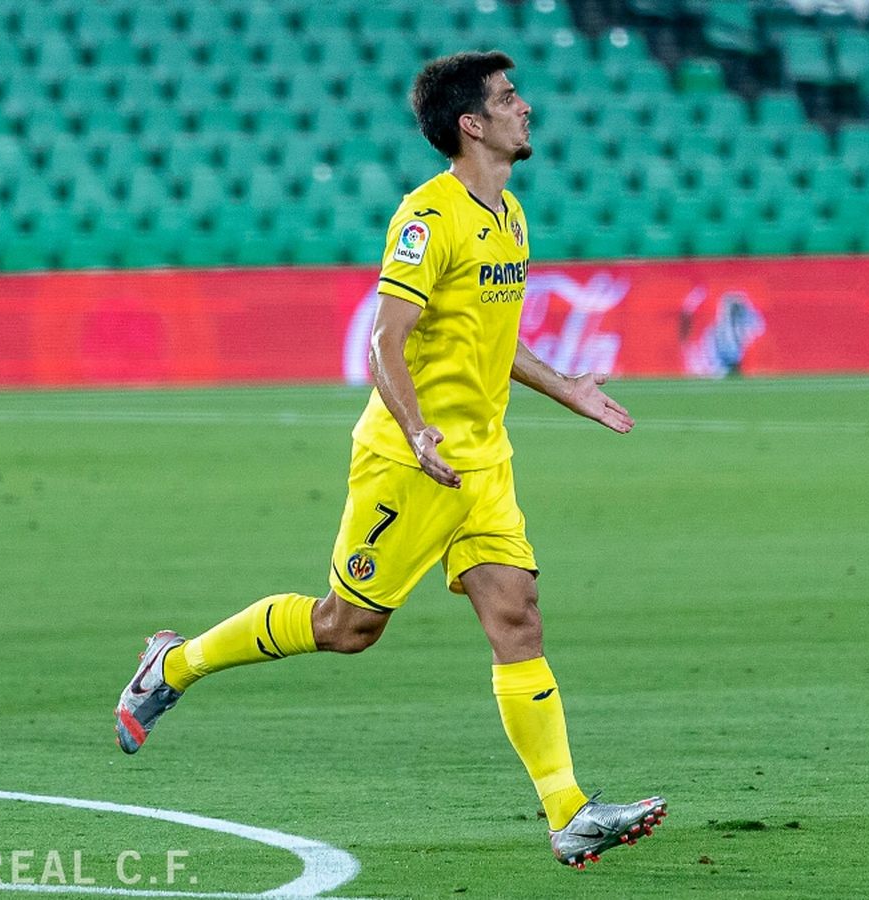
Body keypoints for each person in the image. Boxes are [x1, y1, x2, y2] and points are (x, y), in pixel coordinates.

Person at [113, 51, 665, 868]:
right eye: (511, 99)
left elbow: (492, 339)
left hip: (481, 461)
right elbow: (384, 343)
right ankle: (176, 662)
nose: (528, 109)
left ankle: (568, 811)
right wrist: (415, 431)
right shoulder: (427, 219)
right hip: (410, 463)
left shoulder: (508, 216)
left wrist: (568, 388)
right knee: (348, 627)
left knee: (517, 617)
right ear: (471, 124)